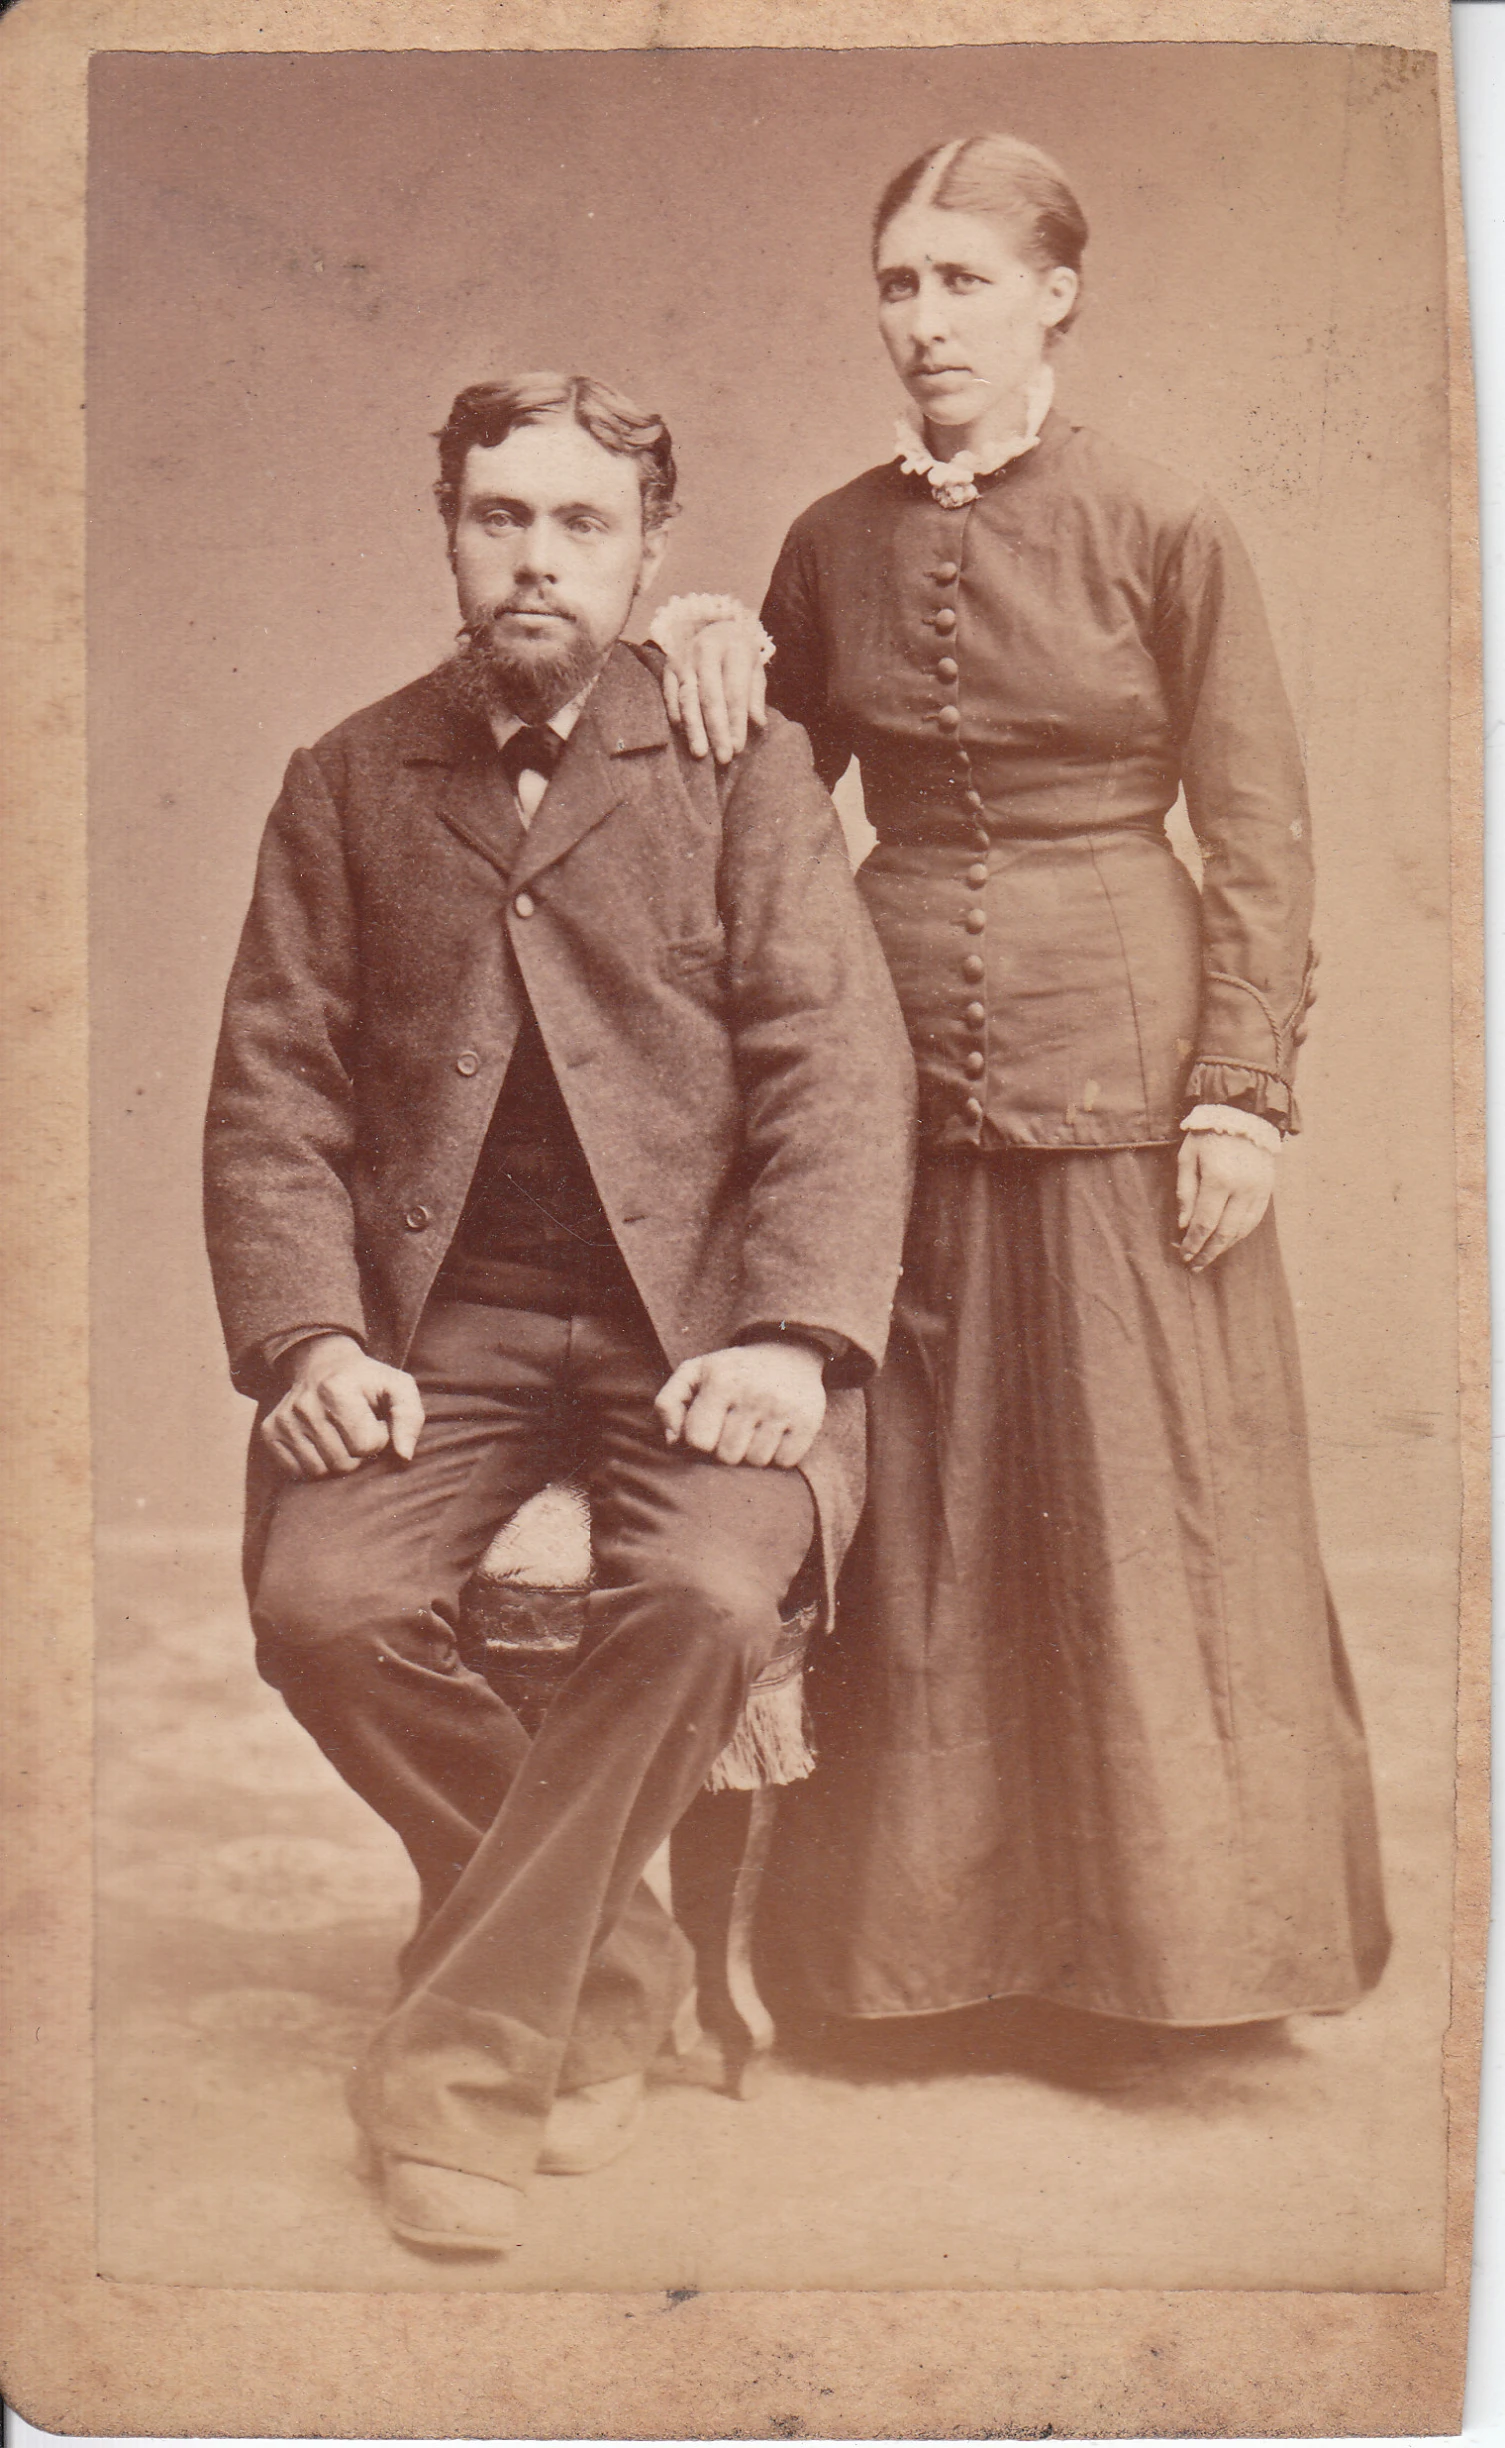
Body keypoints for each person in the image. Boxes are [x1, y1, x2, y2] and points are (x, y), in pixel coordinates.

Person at [654, 134, 1391, 2032]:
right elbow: (755, 806)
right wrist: (703, 631)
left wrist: (1242, 1090)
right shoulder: (832, 537)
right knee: (928, 1516)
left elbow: (1259, 827)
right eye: (898, 285)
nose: (923, 323)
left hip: (1135, 1086)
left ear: (1057, 292)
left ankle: (1179, 1958)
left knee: (1149, 1506)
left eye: (962, 282)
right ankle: (921, 1970)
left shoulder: (1165, 519)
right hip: (893, 1084)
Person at [203, 371, 915, 2254]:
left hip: (708, 1333)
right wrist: (313, 1344)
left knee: (697, 1596)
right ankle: (610, 1975)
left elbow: (839, 1080)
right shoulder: (347, 778)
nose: (537, 559)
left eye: (581, 524)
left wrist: (791, 1337)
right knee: (321, 1603)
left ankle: (454, 2077)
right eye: (500, 515)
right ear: (447, 521)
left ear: (648, 552)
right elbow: (275, 1096)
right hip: (443, 1338)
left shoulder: (739, 766)